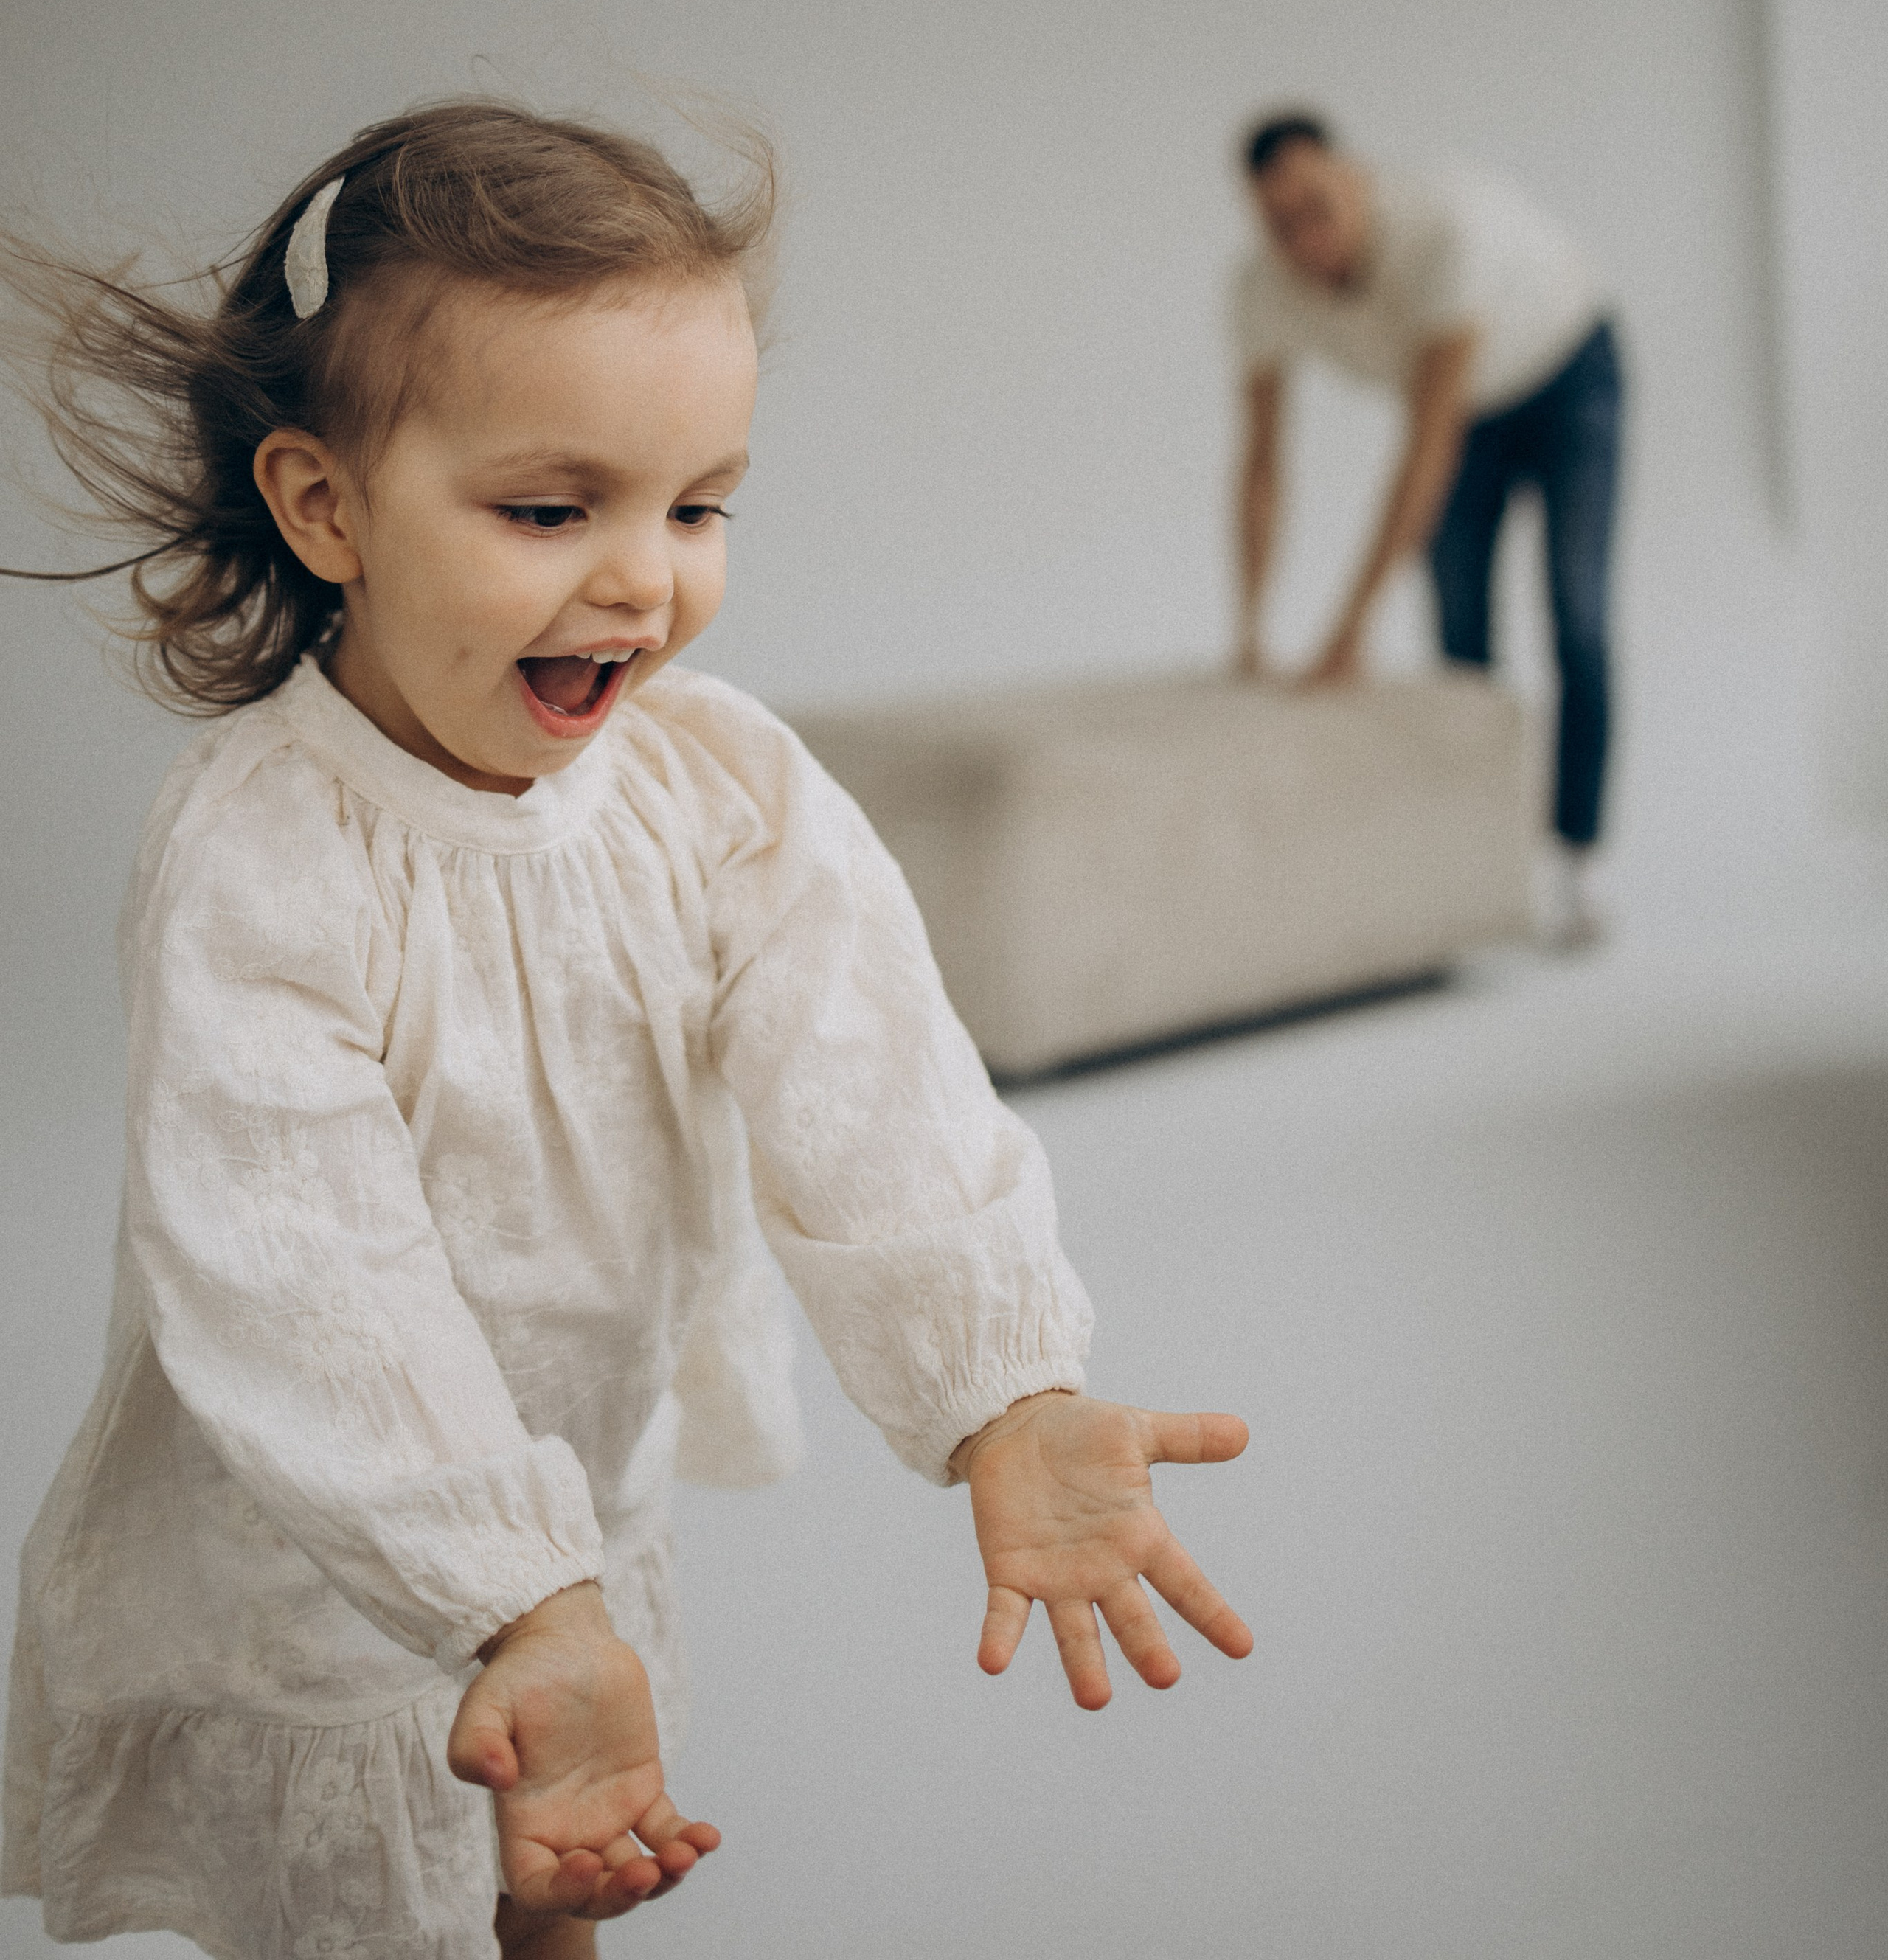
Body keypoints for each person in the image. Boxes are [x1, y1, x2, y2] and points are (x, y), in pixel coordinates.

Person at [1, 101, 1252, 1960]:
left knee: (565, 1869)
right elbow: (297, 1263)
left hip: (580, 1502)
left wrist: (1002, 1383)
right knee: (382, 1917)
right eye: (547, 508)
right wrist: (502, 1590)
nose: (643, 578)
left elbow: (873, 1074)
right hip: (336, 1553)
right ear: (322, 503)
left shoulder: (712, 782)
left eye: (696, 502)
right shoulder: (264, 855)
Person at [1231, 110, 1622, 945]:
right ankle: (1481, 860)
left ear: (1357, 180)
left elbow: (1423, 449)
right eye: (1279, 222)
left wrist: (1347, 634)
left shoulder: (1443, 228)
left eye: (1317, 209)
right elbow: (1262, 465)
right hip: (1471, 407)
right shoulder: (1259, 289)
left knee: (1574, 610)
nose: (1304, 240)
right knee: (1458, 630)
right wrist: (1250, 631)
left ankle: (1578, 862)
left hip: (1565, 374)